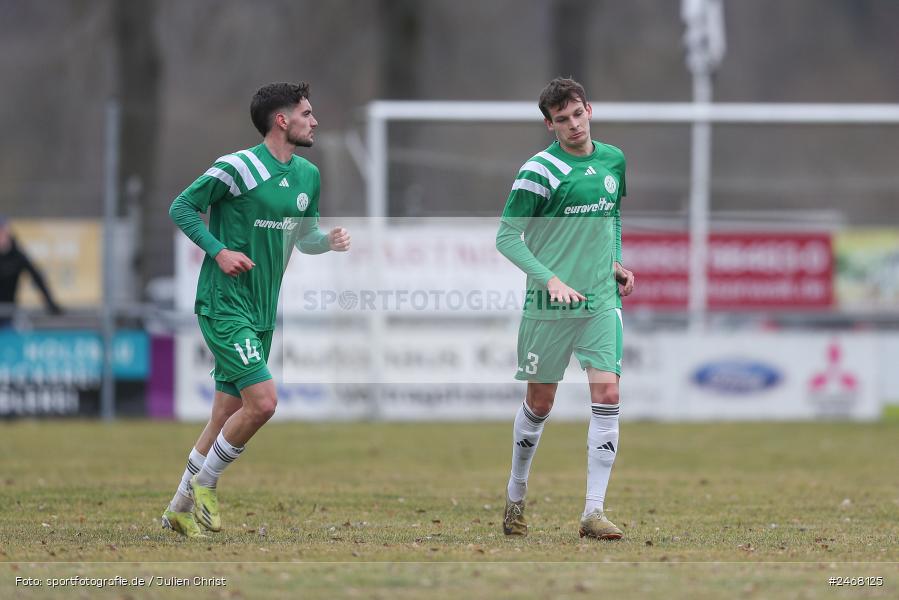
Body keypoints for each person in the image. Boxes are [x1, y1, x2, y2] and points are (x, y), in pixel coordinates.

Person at [161, 82, 351, 538]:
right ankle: (205, 485)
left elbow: (302, 237)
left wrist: (328, 241)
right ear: (281, 120)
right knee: (263, 403)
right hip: (225, 304)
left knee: (224, 415)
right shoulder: (237, 167)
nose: (315, 120)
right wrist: (219, 251)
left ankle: (176, 509)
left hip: (263, 310)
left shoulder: (308, 175)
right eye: (307, 113)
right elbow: (182, 207)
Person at [496, 77, 635, 540]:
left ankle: (593, 512)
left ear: (589, 109)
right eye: (562, 120)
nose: (573, 125)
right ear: (549, 124)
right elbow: (506, 237)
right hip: (547, 304)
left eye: (578, 114)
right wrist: (550, 280)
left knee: (608, 396)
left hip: (600, 300)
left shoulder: (613, 160)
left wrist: (615, 261)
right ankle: (516, 497)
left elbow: (612, 215)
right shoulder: (538, 171)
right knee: (540, 403)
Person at [0, 216, 62, 327]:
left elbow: (37, 278)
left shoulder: (18, 256)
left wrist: (50, 302)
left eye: (2, 231)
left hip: (8, 314)